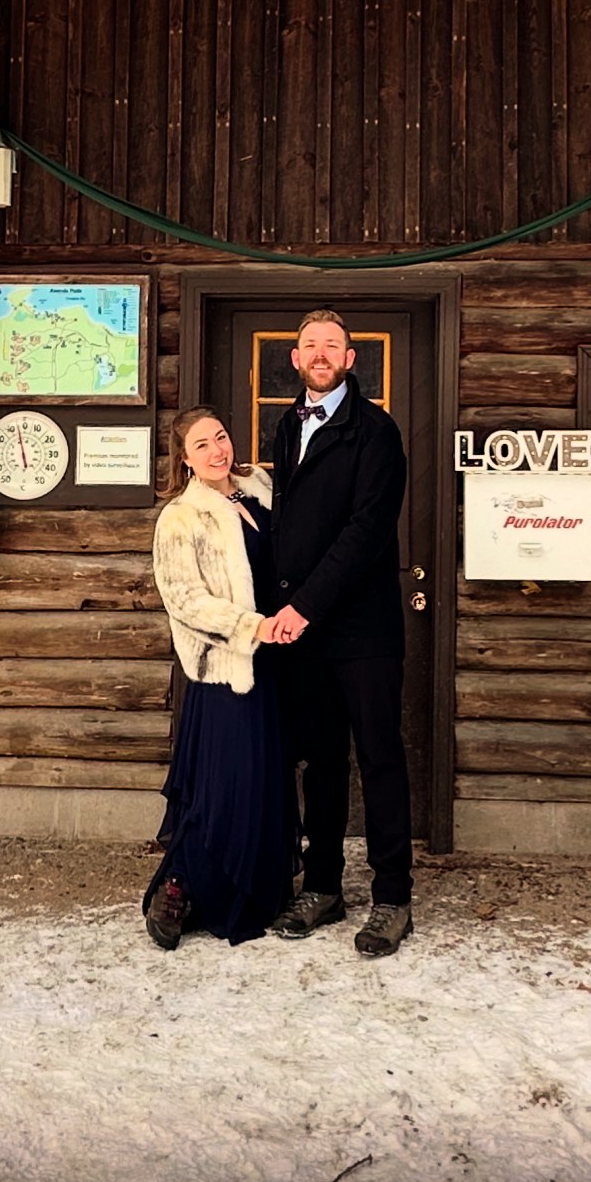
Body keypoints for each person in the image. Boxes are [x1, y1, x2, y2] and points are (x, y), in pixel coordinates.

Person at [263, 309, 414, 957]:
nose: (320, 354)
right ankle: (322, 886)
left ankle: (392, 899)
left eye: (332, 345)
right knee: (320, 762)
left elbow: (365, 532)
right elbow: (291, 521)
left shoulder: (375, 432)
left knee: (379, 759)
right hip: (304, 632)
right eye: (309, 345)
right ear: (295, 359)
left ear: (352, 359)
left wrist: (307, 606)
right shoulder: (286, 424)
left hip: (363, 629)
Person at [142, 406, 298, 949]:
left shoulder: (262, 490)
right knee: (221, 787)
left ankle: (261, 889)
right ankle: (181, 890)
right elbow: (184, 600)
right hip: (226, 668)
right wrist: (251, 627)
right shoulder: (182, 517)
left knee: (265, 780)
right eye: (202, 445)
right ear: (184, 460)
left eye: (222, 438)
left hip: (279, 661)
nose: (217, 451)